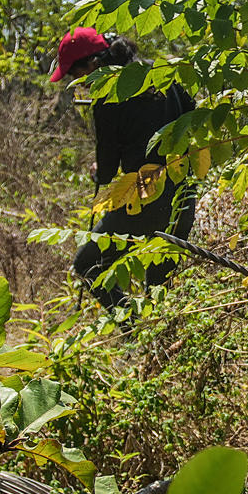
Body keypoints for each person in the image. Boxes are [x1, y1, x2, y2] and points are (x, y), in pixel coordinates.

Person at [51, 27, 197, 310]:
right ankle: (150, 343)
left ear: (93, 63)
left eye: (76, 74)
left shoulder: (108, 96)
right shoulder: (162, 73)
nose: (78, 82)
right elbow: (192, 116)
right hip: (182, 197)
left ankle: (131, 324)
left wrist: (97, 172)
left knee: (87, 264)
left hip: (142, 203)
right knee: (159, 292)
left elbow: (106, 172)